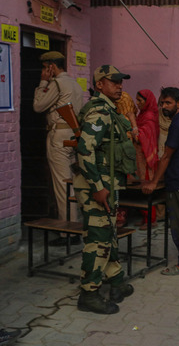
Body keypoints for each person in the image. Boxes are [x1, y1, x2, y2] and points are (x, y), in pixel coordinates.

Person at [74, 65, 135, 314]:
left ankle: (117, 281)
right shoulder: (99, 112)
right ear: (100, 84)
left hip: (106, 185)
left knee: (108, 234)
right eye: (114, 82)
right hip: (96, 187)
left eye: (121, 82)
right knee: (98, 240)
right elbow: (85, 150)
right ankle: (89, 294)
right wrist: (98, 187)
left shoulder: (109, 110)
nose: (120, 86)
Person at [143, 87, 179, 276]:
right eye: (162, 103)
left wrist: (153, 182)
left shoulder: (178, 124)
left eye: (168, 103)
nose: (164, 106)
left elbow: (166, 156)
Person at [33, 51, 83, 246]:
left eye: (45, 68)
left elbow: (38, 106)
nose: (44, 72)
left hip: (59, 136)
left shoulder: (57, 84)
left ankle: (68, 233)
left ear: (51, 67)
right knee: (71, 184)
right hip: (72, 134)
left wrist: (42, 83)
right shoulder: (75, 84)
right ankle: (75, 227)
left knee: (62, 186)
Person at [135, 89, 159, 182]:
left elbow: (139, 137)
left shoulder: (149, 116)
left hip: (145, 154)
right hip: (140, 154)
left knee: (146, 180)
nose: (137, 103)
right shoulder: (142, 114)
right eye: (136, 100)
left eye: (140, 100)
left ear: (147, 101)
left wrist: (133, 122)